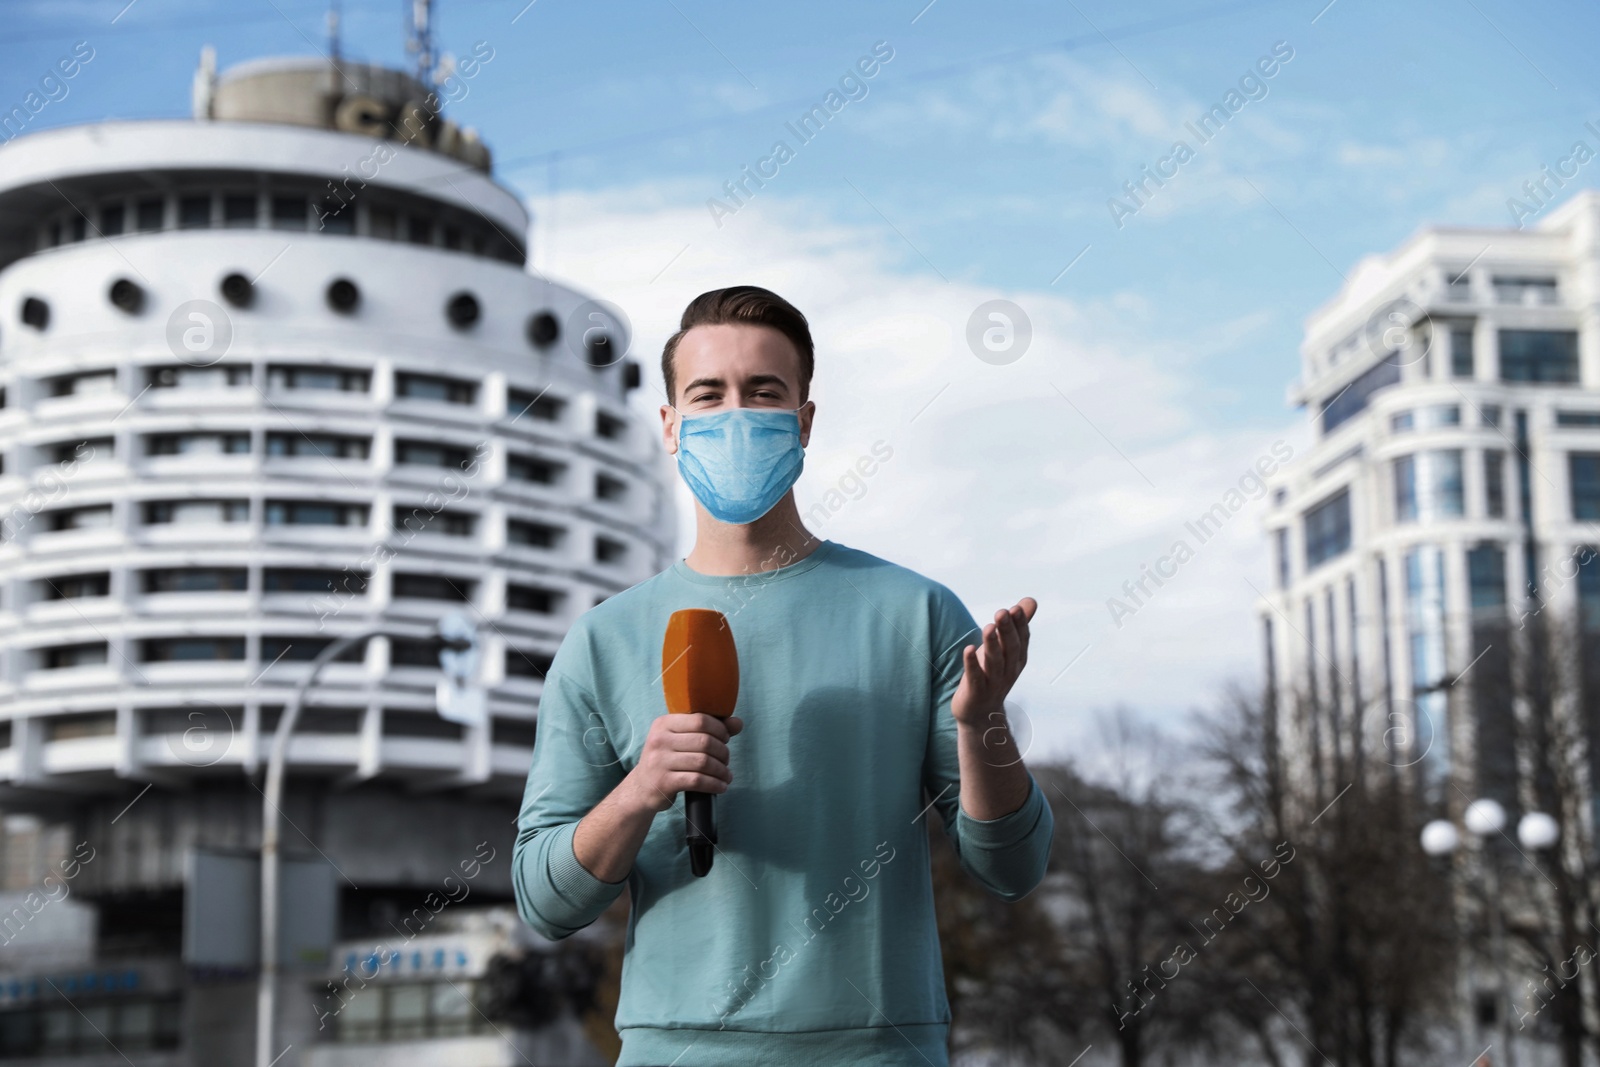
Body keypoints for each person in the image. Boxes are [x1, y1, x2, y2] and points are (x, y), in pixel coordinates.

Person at [512, 285, 1053, 1066]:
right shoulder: (602, 641)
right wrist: (640, 791)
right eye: (708, 394)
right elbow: (546, 900)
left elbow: (1013, 868)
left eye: (764, 393)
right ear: (670, 425)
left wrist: (982, 725)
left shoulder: (917, 612)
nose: (737, 414)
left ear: (803, 419)